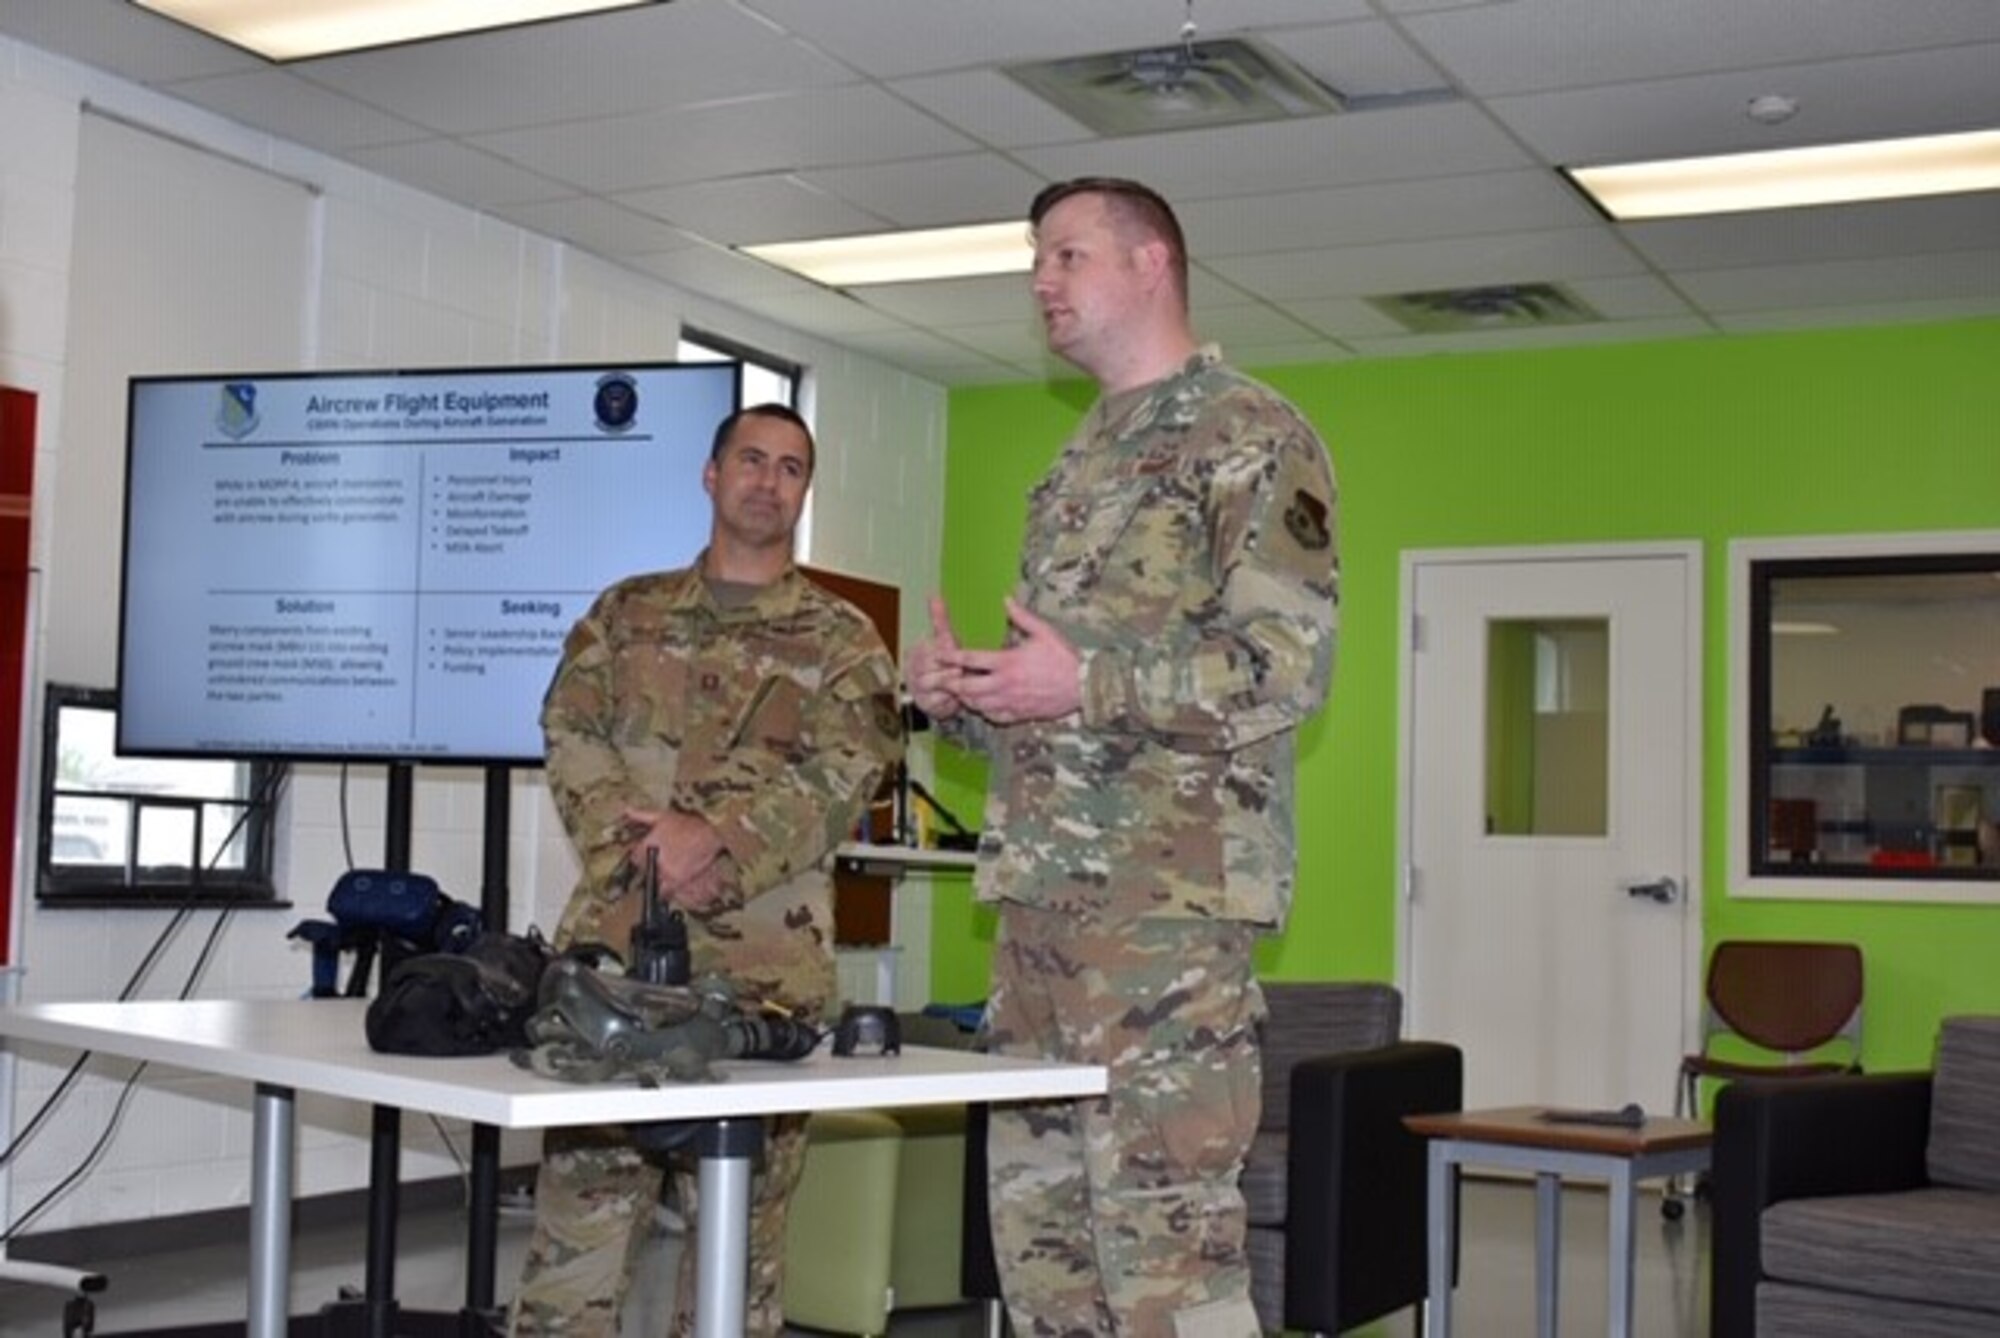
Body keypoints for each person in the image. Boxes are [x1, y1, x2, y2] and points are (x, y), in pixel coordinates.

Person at [906, 178, 1338, 1338]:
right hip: (1039, 918)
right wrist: (967, 698)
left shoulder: (1249, 432)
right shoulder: (1077, 462)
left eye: (1066, 255)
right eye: (1035, 261)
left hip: (1166, 920)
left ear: (1152, 264)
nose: (1040, 281)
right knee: (1043, 1258)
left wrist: (1081, 681)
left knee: (1165, 1257)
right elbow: (1055, 699)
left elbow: (1282, 670)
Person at [511, 403, 904, 1338]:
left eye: (791, 469)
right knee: (577, 1242)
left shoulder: (842, 640)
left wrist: (716, 840)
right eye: (752, 460)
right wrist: (638, 849)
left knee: (741, 1262)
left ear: (804, 492)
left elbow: (851, 771)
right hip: (614, 967)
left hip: (760, 983)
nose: (769, 482)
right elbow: (569, 730)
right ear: (711, 473)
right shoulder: (625, 612)